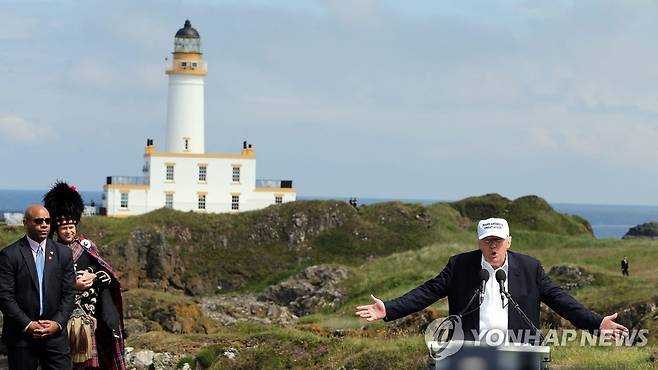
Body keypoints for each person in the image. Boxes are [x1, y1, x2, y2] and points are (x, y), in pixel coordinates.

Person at [355, 218, 629, 342]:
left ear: (509, 241)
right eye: (488, 241)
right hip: (470, 350)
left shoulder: (530, 267)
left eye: (498, 240)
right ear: (479, 242)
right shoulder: (461, 265)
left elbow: (561, 301)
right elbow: (428, 292)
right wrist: (389, 308)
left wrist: (596, 322)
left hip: (519, 349)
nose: (493, 246)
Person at [44, 182, 126, 370]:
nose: (68, 231)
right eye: (64, 227)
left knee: (91, 365)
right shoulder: (50, 251)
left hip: (90, 317)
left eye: (71, 226)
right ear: (56, 229)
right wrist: (73, 284)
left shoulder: (86, 246)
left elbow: (107, 274)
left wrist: (94, 276)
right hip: (62, 316)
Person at [0, 205, 76, 369]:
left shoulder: (63, 253)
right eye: (39, 221)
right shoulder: (10, 255)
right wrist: (28, 324)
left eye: (48, 221)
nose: (44, 225)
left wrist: (57, 323)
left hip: (55, 336)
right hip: (21, 337)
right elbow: (5, 296)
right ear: (25, 222)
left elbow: (69, 293)